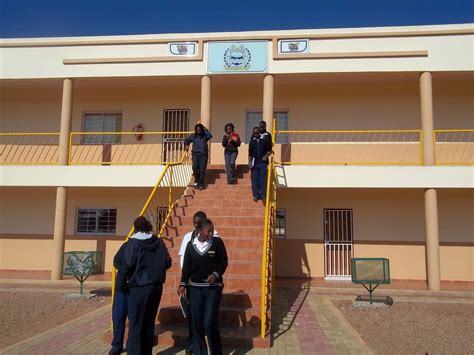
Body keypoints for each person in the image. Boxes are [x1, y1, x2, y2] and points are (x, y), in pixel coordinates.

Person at [114, 216, 172, 355]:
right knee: (148, 321)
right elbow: (167, 262)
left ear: (135, 228)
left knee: (136, 323)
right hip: (156, 287)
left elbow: (126, 265)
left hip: (139, 288)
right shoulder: (158, 242)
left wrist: (122, 285)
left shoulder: (133, 244)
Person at [177, 218, 228, 355]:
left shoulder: (218, 243)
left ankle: (216, 351)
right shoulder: (190, 245)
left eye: (212, 231)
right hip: (195, 289)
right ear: (199, 231)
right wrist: (182, 284)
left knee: (209, 323)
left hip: (213, 289)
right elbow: (186, 268)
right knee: (196, 324)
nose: (211, 234)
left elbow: (223, 262)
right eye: (208, 231)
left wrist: (215, 275)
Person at [109, 245, 129, 355]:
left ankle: (131, 344)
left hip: (135, 289)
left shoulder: (146, 245)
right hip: (121, 288)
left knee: (133, 318)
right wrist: (126, 270)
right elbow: (116, 261)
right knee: (118, 317)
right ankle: (117, 345)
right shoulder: (126, 245)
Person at [184, 123, 212, 190]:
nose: (199, 131)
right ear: (195, 130)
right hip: (195, 154)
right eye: (197, 130)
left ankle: (201, 184)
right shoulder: (193, 136)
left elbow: (210, 136)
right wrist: (187, 145)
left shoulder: (205, 136)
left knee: (202, 170)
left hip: (203, 155)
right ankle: (197, 179)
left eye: (200, 130)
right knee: (194, 167)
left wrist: (205, 129)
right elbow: (186, 140)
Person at [249, 126, 273, 203]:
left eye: (256, 133)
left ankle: (263, 196)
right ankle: (256, 195)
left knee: (263, 179)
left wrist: (266, 156)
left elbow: (270, 151)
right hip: (255, 162)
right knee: (254, 179)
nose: (255, 135)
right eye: (254, 133)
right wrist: (249, 162)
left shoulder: (265, 140)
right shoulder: (252, 142)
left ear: (259, 132)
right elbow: (250, 154)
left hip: (263, 162)